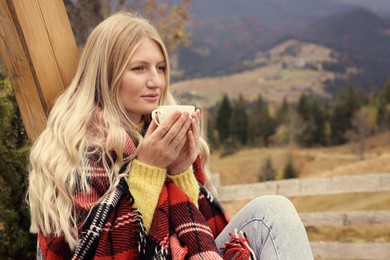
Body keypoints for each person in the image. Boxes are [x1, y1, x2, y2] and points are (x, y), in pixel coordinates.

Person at [28, 12, 314, 259]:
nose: (156, 81)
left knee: (272, 212)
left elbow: (204, 236)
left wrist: (181, 173)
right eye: (139, 68)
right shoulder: (77, 148)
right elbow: (99, 252)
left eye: (161, 68)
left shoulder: (160, 134)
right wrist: (147, 172)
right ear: (105, 73)